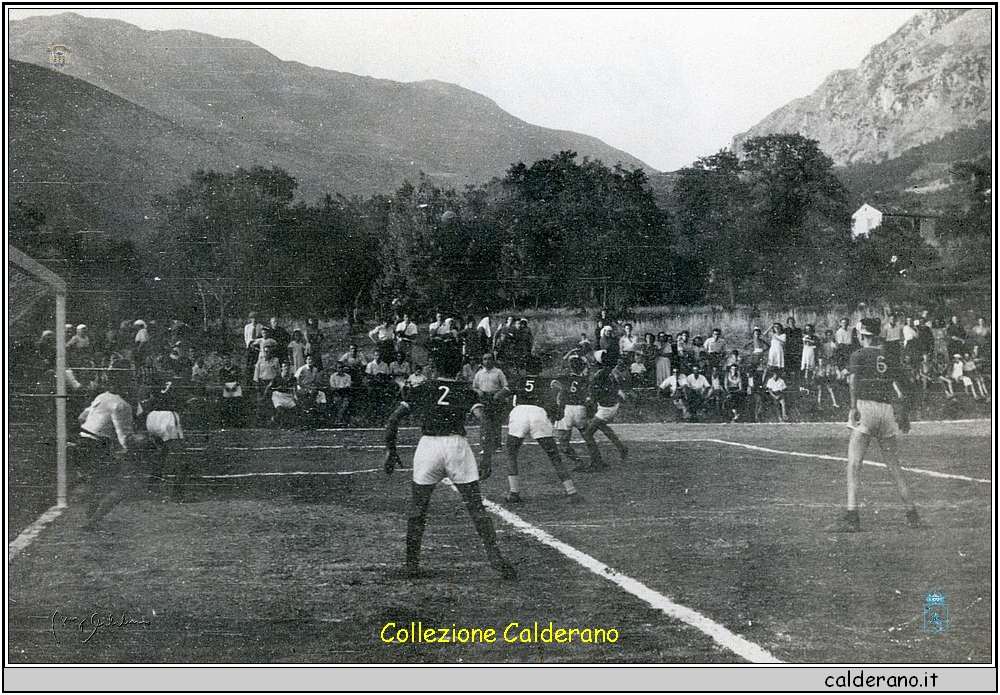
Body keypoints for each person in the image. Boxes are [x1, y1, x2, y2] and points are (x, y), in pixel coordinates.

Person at [383, 339, 517, 580]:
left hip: (428, 447)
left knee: (418, 508)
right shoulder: (465, 390)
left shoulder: (421, 388)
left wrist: (391, 451)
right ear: (457, 369)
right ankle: (496, 558)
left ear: (433, 367)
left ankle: (411, 564)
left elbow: (393, 420)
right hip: (457, 446)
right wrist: (486, 455)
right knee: (476, 507)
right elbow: (484, 419)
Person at [827, 318, 920, 532]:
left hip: (865, 409)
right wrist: (903, 413)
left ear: (863, 335)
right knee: (894, 467)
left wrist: (852, 407)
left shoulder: (858, 354)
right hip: (887, 411)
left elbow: (854, 382)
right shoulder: (889, 355)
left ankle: (852, 517)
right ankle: (912, 514)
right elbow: (902, 388)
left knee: (854, 464)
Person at [503, 372, 579, 504]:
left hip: (519, 412)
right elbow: (558, 397)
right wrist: (558, 409)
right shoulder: (546, 381)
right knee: (554, 456)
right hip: (539, 413)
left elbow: (500, 395)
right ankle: (571, 491)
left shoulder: (518, 379)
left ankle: (514, 492)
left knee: (511, 453)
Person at [75, 376, 135, 529]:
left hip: (84, 440)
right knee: (120, 487)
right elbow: (123, 435)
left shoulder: (101, 396)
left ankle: (91, 518)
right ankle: (92, 521)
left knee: (97, 483)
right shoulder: (121, 404)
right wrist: (127, 451)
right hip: (98, 444)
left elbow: (81, 417)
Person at [577, 350, 629, 472]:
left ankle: (596, 461)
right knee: (602, 426)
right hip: (610, 405)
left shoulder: (600, 373)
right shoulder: (609, 371)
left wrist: (591, 399)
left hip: (606, 407)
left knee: (588, 434)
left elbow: (592, 389)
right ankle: (621, 448)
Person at [471, 352, 509, 479]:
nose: (487, 361)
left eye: (489, 359)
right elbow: (474, 387)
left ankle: (496, 445)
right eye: (485, 359)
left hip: (495, 397)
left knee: (496, 422)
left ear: (493, 361)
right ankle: (484, 445)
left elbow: (505, 386)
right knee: (484, 422)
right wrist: (479, 392)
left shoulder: (498, 372)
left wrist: (499, 394)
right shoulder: (479, 373)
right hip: (484, 398)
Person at [553, 356, 590, 463]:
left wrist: (563, 389)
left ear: (570, 367)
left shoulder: (565, 377)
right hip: (580, 409)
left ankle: (578, 461)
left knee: (563, 442)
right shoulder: (584, 380)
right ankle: (596, 459)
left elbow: (553, 382)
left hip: (567, 409)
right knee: (588, 436)